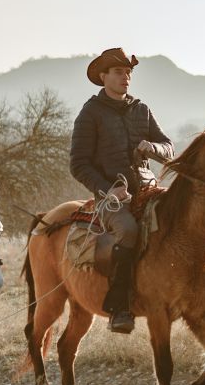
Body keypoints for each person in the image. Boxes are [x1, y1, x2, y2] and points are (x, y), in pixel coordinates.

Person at [69, 48, 174, 333]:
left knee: (180, 217)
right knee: (128, 230)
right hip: (111, 200)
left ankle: (191, 293)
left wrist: (153, 148)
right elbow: (78, 164)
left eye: (128, 73)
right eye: (119, 72)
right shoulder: (90, 113)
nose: (125, 77)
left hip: (149, 188)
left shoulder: (142, 109)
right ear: (103, 77)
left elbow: (168, 147)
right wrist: (107, 191)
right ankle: (119, 307)